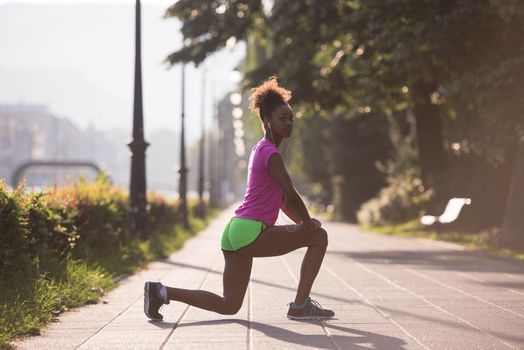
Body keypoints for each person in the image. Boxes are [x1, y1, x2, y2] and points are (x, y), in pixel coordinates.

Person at [144, 76, 334, 321]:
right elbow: (290, 191)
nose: (288, 123)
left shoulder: (259, 149)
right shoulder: (271, 153)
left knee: (229, 305)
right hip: (251, 232)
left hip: (234, 231)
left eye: (290, 119)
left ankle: (160, 292)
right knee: (319, 237)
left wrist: (303, 222)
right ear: (267, 122)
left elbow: (282, 201)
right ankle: (300, 306)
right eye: (282, 119)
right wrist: (308, 225)